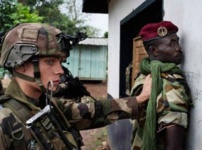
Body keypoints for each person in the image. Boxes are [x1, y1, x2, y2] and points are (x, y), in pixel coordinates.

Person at [0, 23, 152, 150]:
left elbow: (93, 111)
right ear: (19, 65)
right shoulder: (4, 121)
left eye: (60, 62)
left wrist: (140, 99)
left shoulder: (48, 104)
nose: (60, 71)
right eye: (50, 62)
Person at [129, 21, 192, 150]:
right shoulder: (171, 85)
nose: (179, 48)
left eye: (177, 42)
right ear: (154, 51)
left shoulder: (144, 74)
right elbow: (174, 146)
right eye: (172, 44)